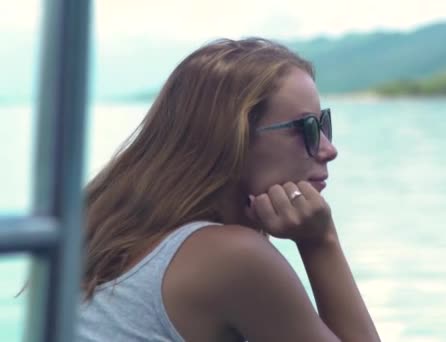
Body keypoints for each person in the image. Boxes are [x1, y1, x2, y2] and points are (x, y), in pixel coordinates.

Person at [78, 37, 380, 342]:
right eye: (306, 128)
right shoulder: (233, 257)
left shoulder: (111, 235)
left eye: (323, 123)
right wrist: (320, 241)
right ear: (232, 140)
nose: (329, 149)